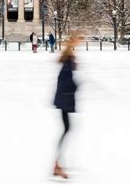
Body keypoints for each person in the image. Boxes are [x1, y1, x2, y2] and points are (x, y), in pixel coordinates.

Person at [53, 36, 81, 179]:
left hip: (64, 100)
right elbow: (65, 82)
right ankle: (57, 164)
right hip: (64, 100)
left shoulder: (67, 61)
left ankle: (57, 163)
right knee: (67, 129)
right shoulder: (68, 63)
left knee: (67, 129)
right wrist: (76, 86)